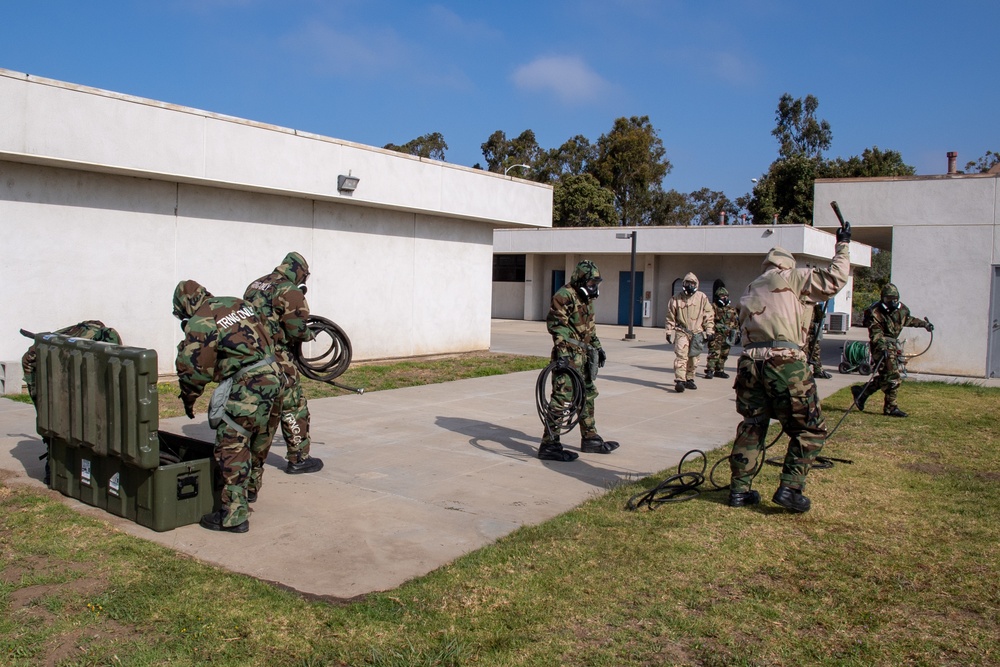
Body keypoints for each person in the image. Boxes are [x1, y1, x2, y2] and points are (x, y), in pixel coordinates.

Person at [727, 225, 852, 513]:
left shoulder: (751, 286)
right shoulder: (792, 278)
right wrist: (842, 245)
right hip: (784, 361)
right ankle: (790, 489)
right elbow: (835, 278)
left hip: (749, 362)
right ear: (788, 264)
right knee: (809, 428)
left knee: (752, 426)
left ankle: (739, 491)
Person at [172, 280, 284, 533]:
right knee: (260, 436)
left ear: (185, 304)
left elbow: (194, 367)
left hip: (250, 384)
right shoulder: (237, 303)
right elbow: (272, 331)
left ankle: (233, 516)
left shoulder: (201, 318)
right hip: (276, 375)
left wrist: (189, 397)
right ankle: (251, 489)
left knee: (232, 443)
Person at [244, 252, 324, 475]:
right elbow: (296, 328)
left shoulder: (255, 284)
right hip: (278, 359)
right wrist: (310, 333)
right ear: (298, 271)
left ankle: (248, 459)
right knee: (292, 406)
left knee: (258, 408)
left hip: (252, 359)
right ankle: (299, 458)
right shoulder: (290, 290)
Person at [21, 320, 123, 485]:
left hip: (57, 363)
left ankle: (61, 457)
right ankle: (56, 459)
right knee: (54, 416)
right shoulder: (79, 347)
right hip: (41, 365)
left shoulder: (98, 341)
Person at [538, 260, 619, 462]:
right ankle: (549, 444)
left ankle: (590, 437)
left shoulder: (586, 299)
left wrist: (598, 348)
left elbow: (590, 328)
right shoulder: (564, 295)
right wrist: (563, 354)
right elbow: (557, 325)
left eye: (596, 284)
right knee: (562, 398)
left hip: (583, 356)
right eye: (591, 283)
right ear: (581, 279)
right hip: (568, 355)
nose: (594, 287)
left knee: (587, 394)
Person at [850, 283, 933, 418]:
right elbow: (875, 334)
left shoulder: (902, 310)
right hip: (880, 347)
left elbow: (908, 320)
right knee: (893, 377)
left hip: (892, 346)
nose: (892, 302)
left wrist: (925, 325)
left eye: (894, 299)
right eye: (889, 299)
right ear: (883, 298)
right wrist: (883, 348)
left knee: (886, 377)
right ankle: (891, 407)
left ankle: (862, 392)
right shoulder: (874, 312)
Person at [665, 273, 714, 392]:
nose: (690, 286)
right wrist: (668, 331)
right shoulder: (676, 299)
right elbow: (670, 316)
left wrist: (709, 330)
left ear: (696, 284)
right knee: (681, 356)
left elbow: (709, 315)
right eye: (687, 283)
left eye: (692, 284)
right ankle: (680, 380)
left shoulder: (702, 297)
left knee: (694, 357)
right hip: (682, 331)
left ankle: (690, 378)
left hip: (697, 332)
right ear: (683, 284)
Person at [704, 286, 737, 379]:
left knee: (724, 354)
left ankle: (719, 370)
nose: (725, 298)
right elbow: (708, 320)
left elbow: (735, 321)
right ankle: (710, 370)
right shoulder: (712, 307)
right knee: (714, 353)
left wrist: (736, 333)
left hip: (727, 335)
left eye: (726, 296)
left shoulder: (731, 309)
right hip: (717, 334)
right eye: (722, 296)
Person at [804, 301, 833, 379]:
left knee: (815, 351)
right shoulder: (802, 306)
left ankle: (818, 370)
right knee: (803, 352)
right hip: (804, 333)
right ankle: (803, 371)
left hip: (813, 332)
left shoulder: (814, 307)